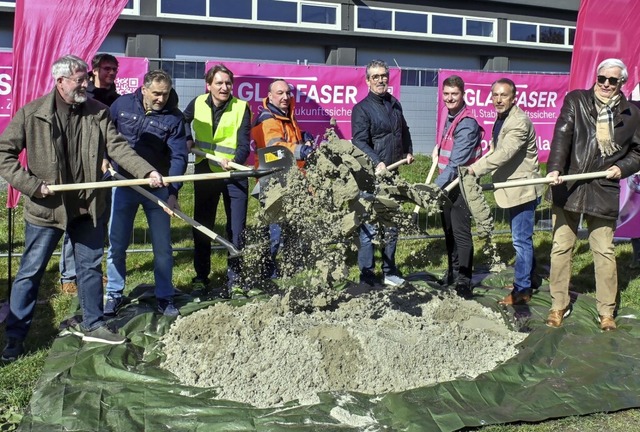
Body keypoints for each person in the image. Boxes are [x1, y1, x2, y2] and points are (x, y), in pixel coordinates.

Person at [0, 54, 164, 362]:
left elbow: (118, 149)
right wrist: (32, 185)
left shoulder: (98, 113)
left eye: (86, 79)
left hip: (88, 207)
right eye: (79, 80)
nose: (86, 84)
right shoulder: (32, 114)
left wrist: (146, 171)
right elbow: (4, 154)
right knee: (30, 272)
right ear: (60, 81)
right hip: (46, 209)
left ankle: (94, 324)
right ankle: (15, 335)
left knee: (89, 268)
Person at [545, 58, 640, 331]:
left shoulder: (631, 114)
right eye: (602, 78)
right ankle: (558, 305)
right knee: (561, 247)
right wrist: (554, 169)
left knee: (604, 251)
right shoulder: (577, 100)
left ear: (622, 83)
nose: (606, 84)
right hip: (569, 184)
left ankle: (606, 311)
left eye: (613, 80)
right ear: (596, 78)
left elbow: (638, 152)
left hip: (603, 189)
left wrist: (621, 168)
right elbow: (562, 135)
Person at [104, 70, 188, 317]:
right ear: (143, 90)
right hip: (123, 184)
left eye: (165, 94)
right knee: (117, 244)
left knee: (162, 247)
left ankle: (165, 296)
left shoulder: (174, 119)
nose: (161, 99)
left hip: (157, 188)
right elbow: (105, 134)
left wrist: (172, 193)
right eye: (156, 93)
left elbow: (179, 157)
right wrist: (103, 158)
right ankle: (114, 294)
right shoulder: (121, 105)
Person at [467, 78, 542, 306]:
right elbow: (494, 149)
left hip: (522, 189)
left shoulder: (518, 122)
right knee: (522, 240)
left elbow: (505, 153)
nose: (498, 100)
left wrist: (474, 170)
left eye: (504, 95)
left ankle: (521, 291)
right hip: (511, 188)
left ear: (514, 98)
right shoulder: (502, 118)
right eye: (495, 95)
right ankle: (529, 278)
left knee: (521, 241)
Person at [183, 64, 251, 295]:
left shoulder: (242, 107)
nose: (224, 87)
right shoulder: (197, 103)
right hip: (206, 171)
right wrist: (187, 138)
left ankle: (236, 279)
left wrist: (233, 161)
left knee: (236, 229)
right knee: (202, 226)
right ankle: (201, 276)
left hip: (234, 173)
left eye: (228, 83)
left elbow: (243, 143)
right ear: (209, 85)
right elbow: (182, 120)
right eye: (219, 83)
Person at [58, 53, 121, 295]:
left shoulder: (117, 100)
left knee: (98, 223)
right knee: (75, 220)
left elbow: (114, 138)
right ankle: (69, 276)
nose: (111, 73)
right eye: (106, 69)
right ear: (93, 70)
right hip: (80, 171)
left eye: (114, 69)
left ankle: (92, 272)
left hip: (107, 172)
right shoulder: (82, 96)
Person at [351, 59, 414, 287]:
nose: (380, 80)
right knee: (368, 227)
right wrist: (376, 162)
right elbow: (359, 142)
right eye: (375, 76)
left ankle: (389, 271)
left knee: (391, 225)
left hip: (393, 175)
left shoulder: (395, 103)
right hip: (370, 177)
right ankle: (367, 275)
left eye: (383, 76)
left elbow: (403, 130)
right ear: (368, 81)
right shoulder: (361, 109)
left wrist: (408, 151)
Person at [251, 78, 315, 278]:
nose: (285, 97)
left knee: (290, 228)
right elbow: (275, 149)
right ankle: (267, 273)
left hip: (288, 180)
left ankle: (288, 268)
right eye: (280, 93)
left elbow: (286, 137)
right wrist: (301, 149)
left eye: (287, 93)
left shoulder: (285, 116)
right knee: (274, 230)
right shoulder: (267, 119)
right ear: (269, 96)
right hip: (272, 181)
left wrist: (302, 135)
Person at [434, 75, 483, 299]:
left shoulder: (467, 123)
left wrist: (434, 188)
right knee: (449, 231)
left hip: (462, 184)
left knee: (461, 233)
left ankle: (464, 279)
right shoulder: (450, 115)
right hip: (448, 184)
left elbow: (457, 163)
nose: (450, 98)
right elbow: (447, 147)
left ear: (463, 95)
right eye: (446, 94)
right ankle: (452, 272)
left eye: (454, 94)